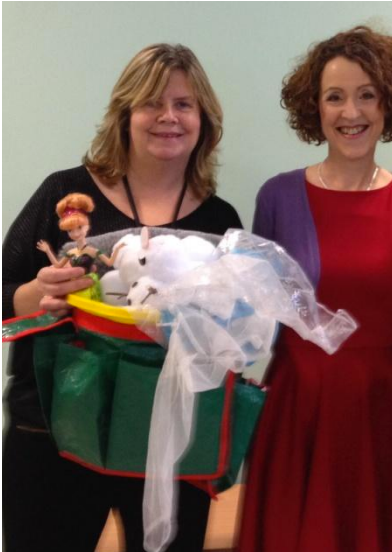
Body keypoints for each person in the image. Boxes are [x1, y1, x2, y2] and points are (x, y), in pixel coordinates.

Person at [2, 43, 243, 552]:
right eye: (152, 102)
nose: (168, 117)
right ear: (124, 113)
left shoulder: (221, 222)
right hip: (52, 435)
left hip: (170, 443)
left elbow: (227, 339)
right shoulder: (63, 196)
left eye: (184, 104)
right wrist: (33, 294)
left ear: (204, 120)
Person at [238, 26, 392, 552]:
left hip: (386, 407)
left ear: (388, 104)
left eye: (366, 95)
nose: (350, 112)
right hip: (298, 403)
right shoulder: (277, 198)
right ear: (315, 108)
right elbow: (260, 307)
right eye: (334, 96)